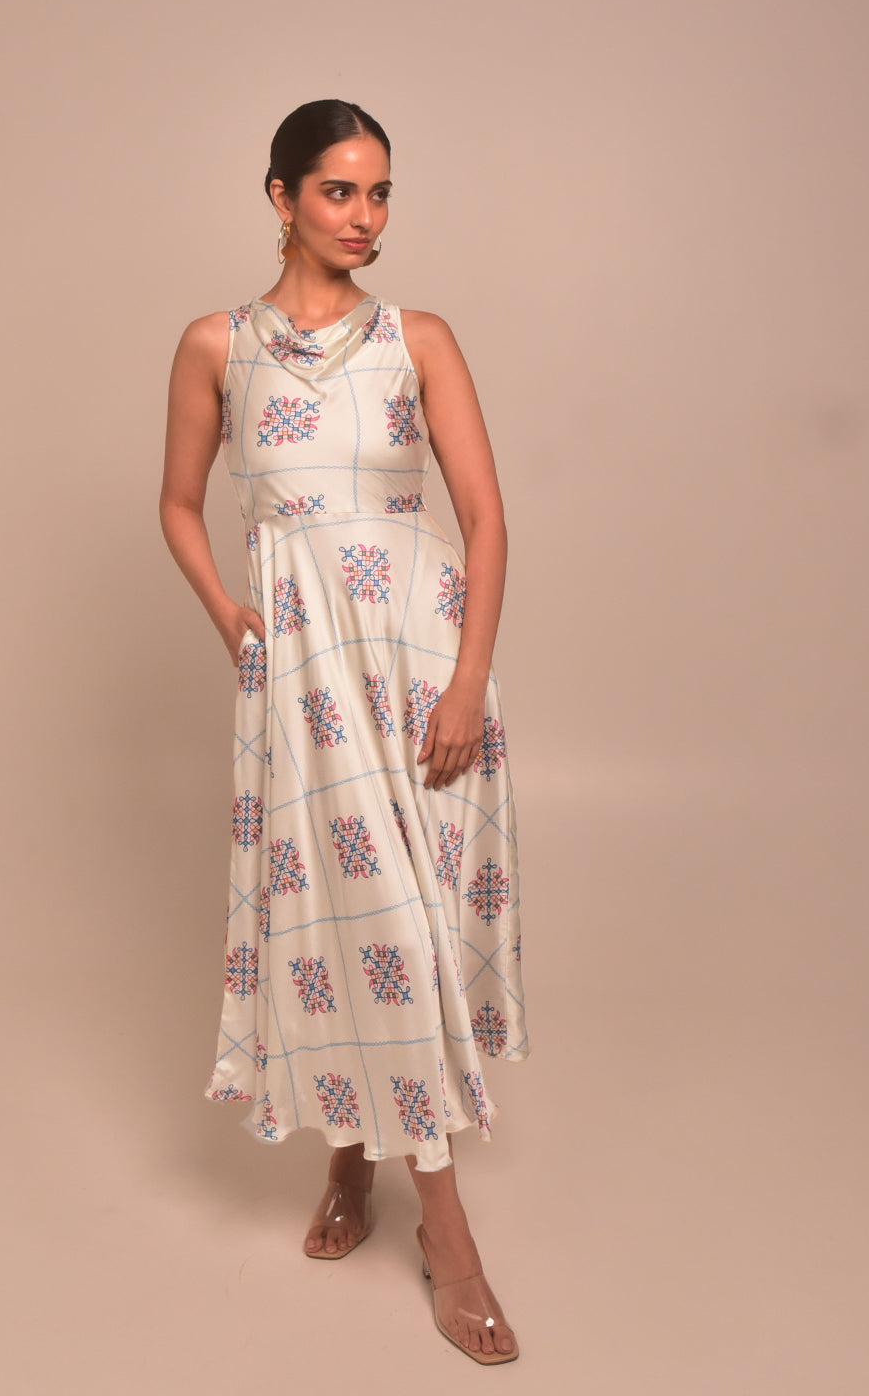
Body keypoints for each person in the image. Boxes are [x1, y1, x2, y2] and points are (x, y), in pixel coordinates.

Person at [160, 100, 528, 1364]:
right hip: (303, 679)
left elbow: (486, 518)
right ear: (280, 196)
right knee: (352, 916)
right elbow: (176, 502)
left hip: (421, 662)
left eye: (379, 194)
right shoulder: (216, 346)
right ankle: (421, 1216)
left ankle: (382, 1183)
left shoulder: (419, 339)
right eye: (338, 191)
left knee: (409, 924)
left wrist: (467, 681)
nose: (364, 217)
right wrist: (231, 616)